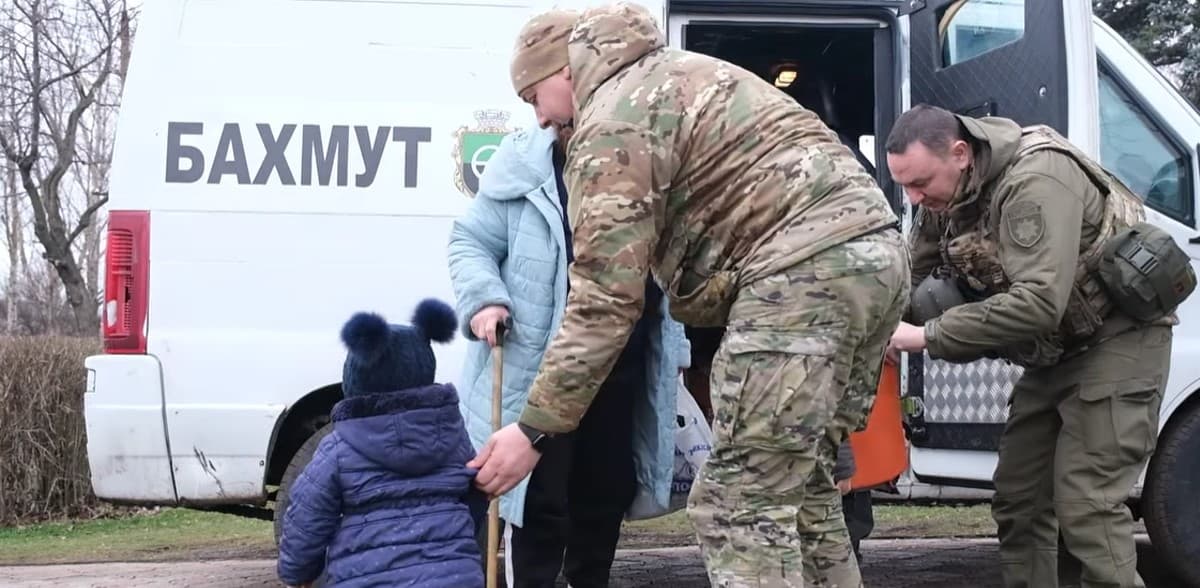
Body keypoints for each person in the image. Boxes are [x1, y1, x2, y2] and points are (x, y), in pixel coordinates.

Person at [468, 3, 911, 586]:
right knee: (805, 490)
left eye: (533, 98)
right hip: (876, 261)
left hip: (801, 278)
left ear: (565, 72)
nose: (544, 120)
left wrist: (531, 432)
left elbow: (605, 301)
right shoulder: (685, 72)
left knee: (739, 504)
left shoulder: (613, 118)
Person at [883, 104, 1178, 588]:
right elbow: (912, 279)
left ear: (960, 153)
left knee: (1088, 504)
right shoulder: (948, 196)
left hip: (1118, 341)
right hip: (1055, 353)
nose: (914, 197)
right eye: (906, 187)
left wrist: (927, 337)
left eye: (920, 183)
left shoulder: (1035, 179)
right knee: (1021, 499)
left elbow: (1040, 302)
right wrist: (881, 327)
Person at [447, 120, 690, 588]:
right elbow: (470, 241)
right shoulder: (526, 165)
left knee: (603, 506)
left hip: (622, 377)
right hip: (541, 378)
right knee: (538, 510)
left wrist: (674, 351)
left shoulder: (651, 161)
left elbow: (666, 270)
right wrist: (484, 298)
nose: (537, 112)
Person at [276, 299, 486, 588]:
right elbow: (475, 497)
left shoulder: (339, 447)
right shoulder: (454, 437)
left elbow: (307, 515)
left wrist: (297, 572)